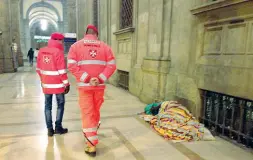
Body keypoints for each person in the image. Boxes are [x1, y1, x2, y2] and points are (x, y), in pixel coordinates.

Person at [68, 24, 116, 156]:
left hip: (85, 87)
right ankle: (93, 133)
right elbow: (112, 65)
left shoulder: (75, 46)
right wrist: (99, 78)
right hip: (99, 87)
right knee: (95, 111)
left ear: (86, 33)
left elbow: (71, 66)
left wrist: (87, 78)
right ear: (97, 34)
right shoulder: (105, 47)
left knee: (88, 113)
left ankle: (91, 144)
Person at [36, 32, 70, 137]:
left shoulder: (41, 51)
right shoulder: (58, 52)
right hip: (58, 85)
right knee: (60, 105)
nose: (63, 43)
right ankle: (58, 127)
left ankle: (50, 130)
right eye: (62, 41)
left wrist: (43, 81)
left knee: (47, 106)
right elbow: (61, 71)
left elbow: (38, 69)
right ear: (58, 41)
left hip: (46, 85)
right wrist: (67, 84)